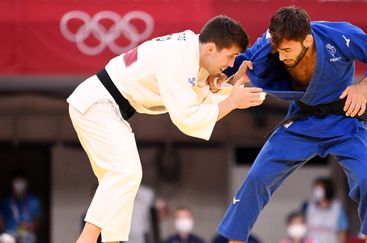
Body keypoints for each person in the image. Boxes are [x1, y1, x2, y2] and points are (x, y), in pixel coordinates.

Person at [67, 15, 264, 243]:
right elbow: (187, 118)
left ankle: (110, 240)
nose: (231, 64)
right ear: (211, 48)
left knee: (122, 185)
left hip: (107, 107)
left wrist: (231, 86)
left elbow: (201, 96)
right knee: (125, 173)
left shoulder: (191, 54)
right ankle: (87, 240)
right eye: (230, 57)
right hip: (98, 104)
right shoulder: (179, 58)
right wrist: (231, 101)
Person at [216, 6, 367, 243]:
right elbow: (240, 61)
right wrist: (227, 74)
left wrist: (365, 86)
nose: (282, 57)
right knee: (257, 178)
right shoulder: (270, 42)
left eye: (288, 50)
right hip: (302, 121)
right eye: (278, 51)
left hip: (343, 119)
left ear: (307, 40)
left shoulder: (338, 36)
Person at [0, 170, 41, 243]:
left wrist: (32, 227)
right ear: (12, 182)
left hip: (27, 233)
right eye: (16, 181)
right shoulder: (5, 200)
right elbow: (1, 220)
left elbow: (37, 219)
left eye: (21, 181)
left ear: (26, 182)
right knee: (5, 239)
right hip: (10, 232)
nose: (19, 184)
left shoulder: (33, 201)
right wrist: (6, 231)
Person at [303, 178, 348, 243]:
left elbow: (343, 230)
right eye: (315, 188)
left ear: (327, 189)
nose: (316, 190)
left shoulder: (338, 208)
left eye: (319, 188)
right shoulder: (307, 206)